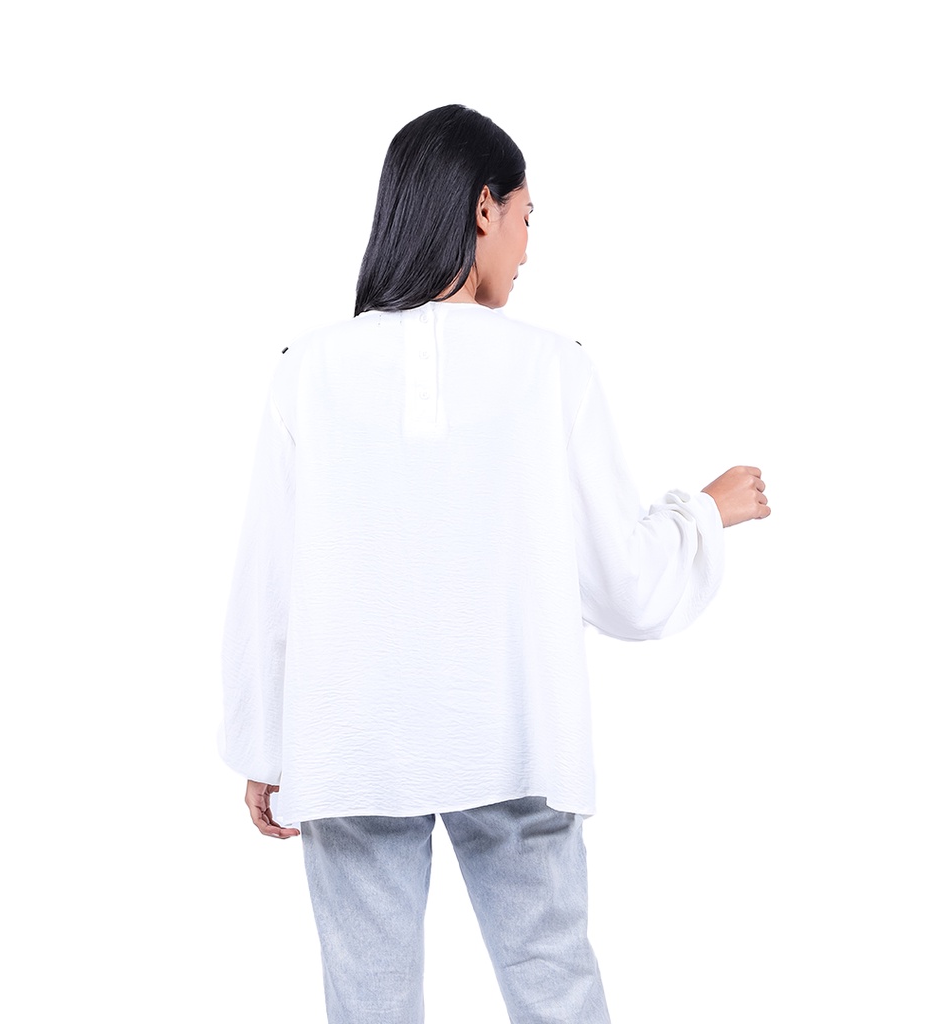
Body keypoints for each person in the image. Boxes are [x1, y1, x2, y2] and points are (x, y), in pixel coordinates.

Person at [219, 103, 769, 1024]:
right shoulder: (552, 369)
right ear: (484, 209)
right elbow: (625, 583)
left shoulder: (306, 370)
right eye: (525, 217)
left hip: (351, 747)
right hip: (516, 738)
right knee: (554, 986)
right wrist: (705, 511)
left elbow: (267, 581)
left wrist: (265, 745)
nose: (527, 247)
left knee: (367, 1003)